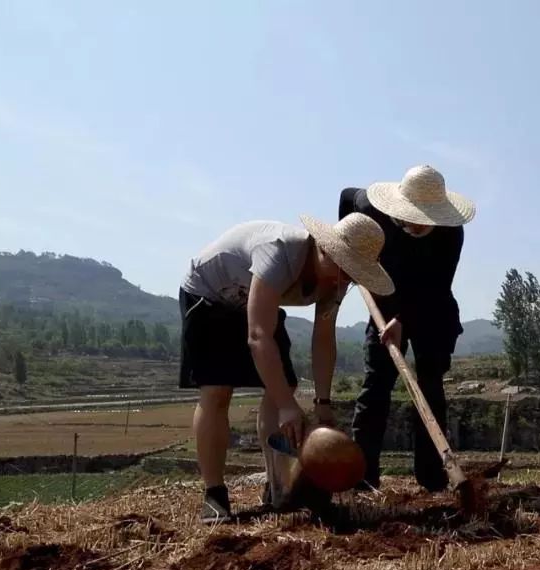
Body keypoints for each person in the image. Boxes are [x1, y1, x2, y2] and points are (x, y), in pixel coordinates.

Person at [179, 213, 394, 524]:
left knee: (283, 387)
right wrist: (286, 407)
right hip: (211, 295)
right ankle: (215, 495)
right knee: (217, 390)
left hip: (254, 301)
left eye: (352, 275)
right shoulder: (279, 253)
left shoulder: (337, 279)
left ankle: (279, 487)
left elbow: (323, 339)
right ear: (324, 250)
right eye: (343, 270)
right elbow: (257, 336)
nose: (344, 281)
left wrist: (322, 404)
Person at [339, 165, 475, 492]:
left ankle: (432, 476)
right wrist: (349, 253)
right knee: (376, 386)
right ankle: (363, 476)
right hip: (384, 299)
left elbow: (437, 287)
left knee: (429, 386)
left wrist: (405, 320)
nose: (414, 223)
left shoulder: (450, 233)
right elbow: (346, 199)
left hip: (431, 306)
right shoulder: (372, 210)